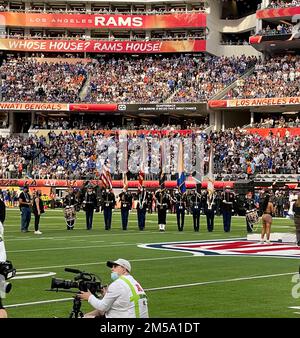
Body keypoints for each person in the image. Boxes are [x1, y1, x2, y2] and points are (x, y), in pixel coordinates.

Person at [79, 258, 148, 318]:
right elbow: (123, 299)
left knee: (96, 312)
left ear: (124, 269)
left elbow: (102, 307)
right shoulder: (135, 282)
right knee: (98, 312)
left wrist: (89, 297)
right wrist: (106, 295)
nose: (112, 269)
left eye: (115, 266)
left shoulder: (117, 284)